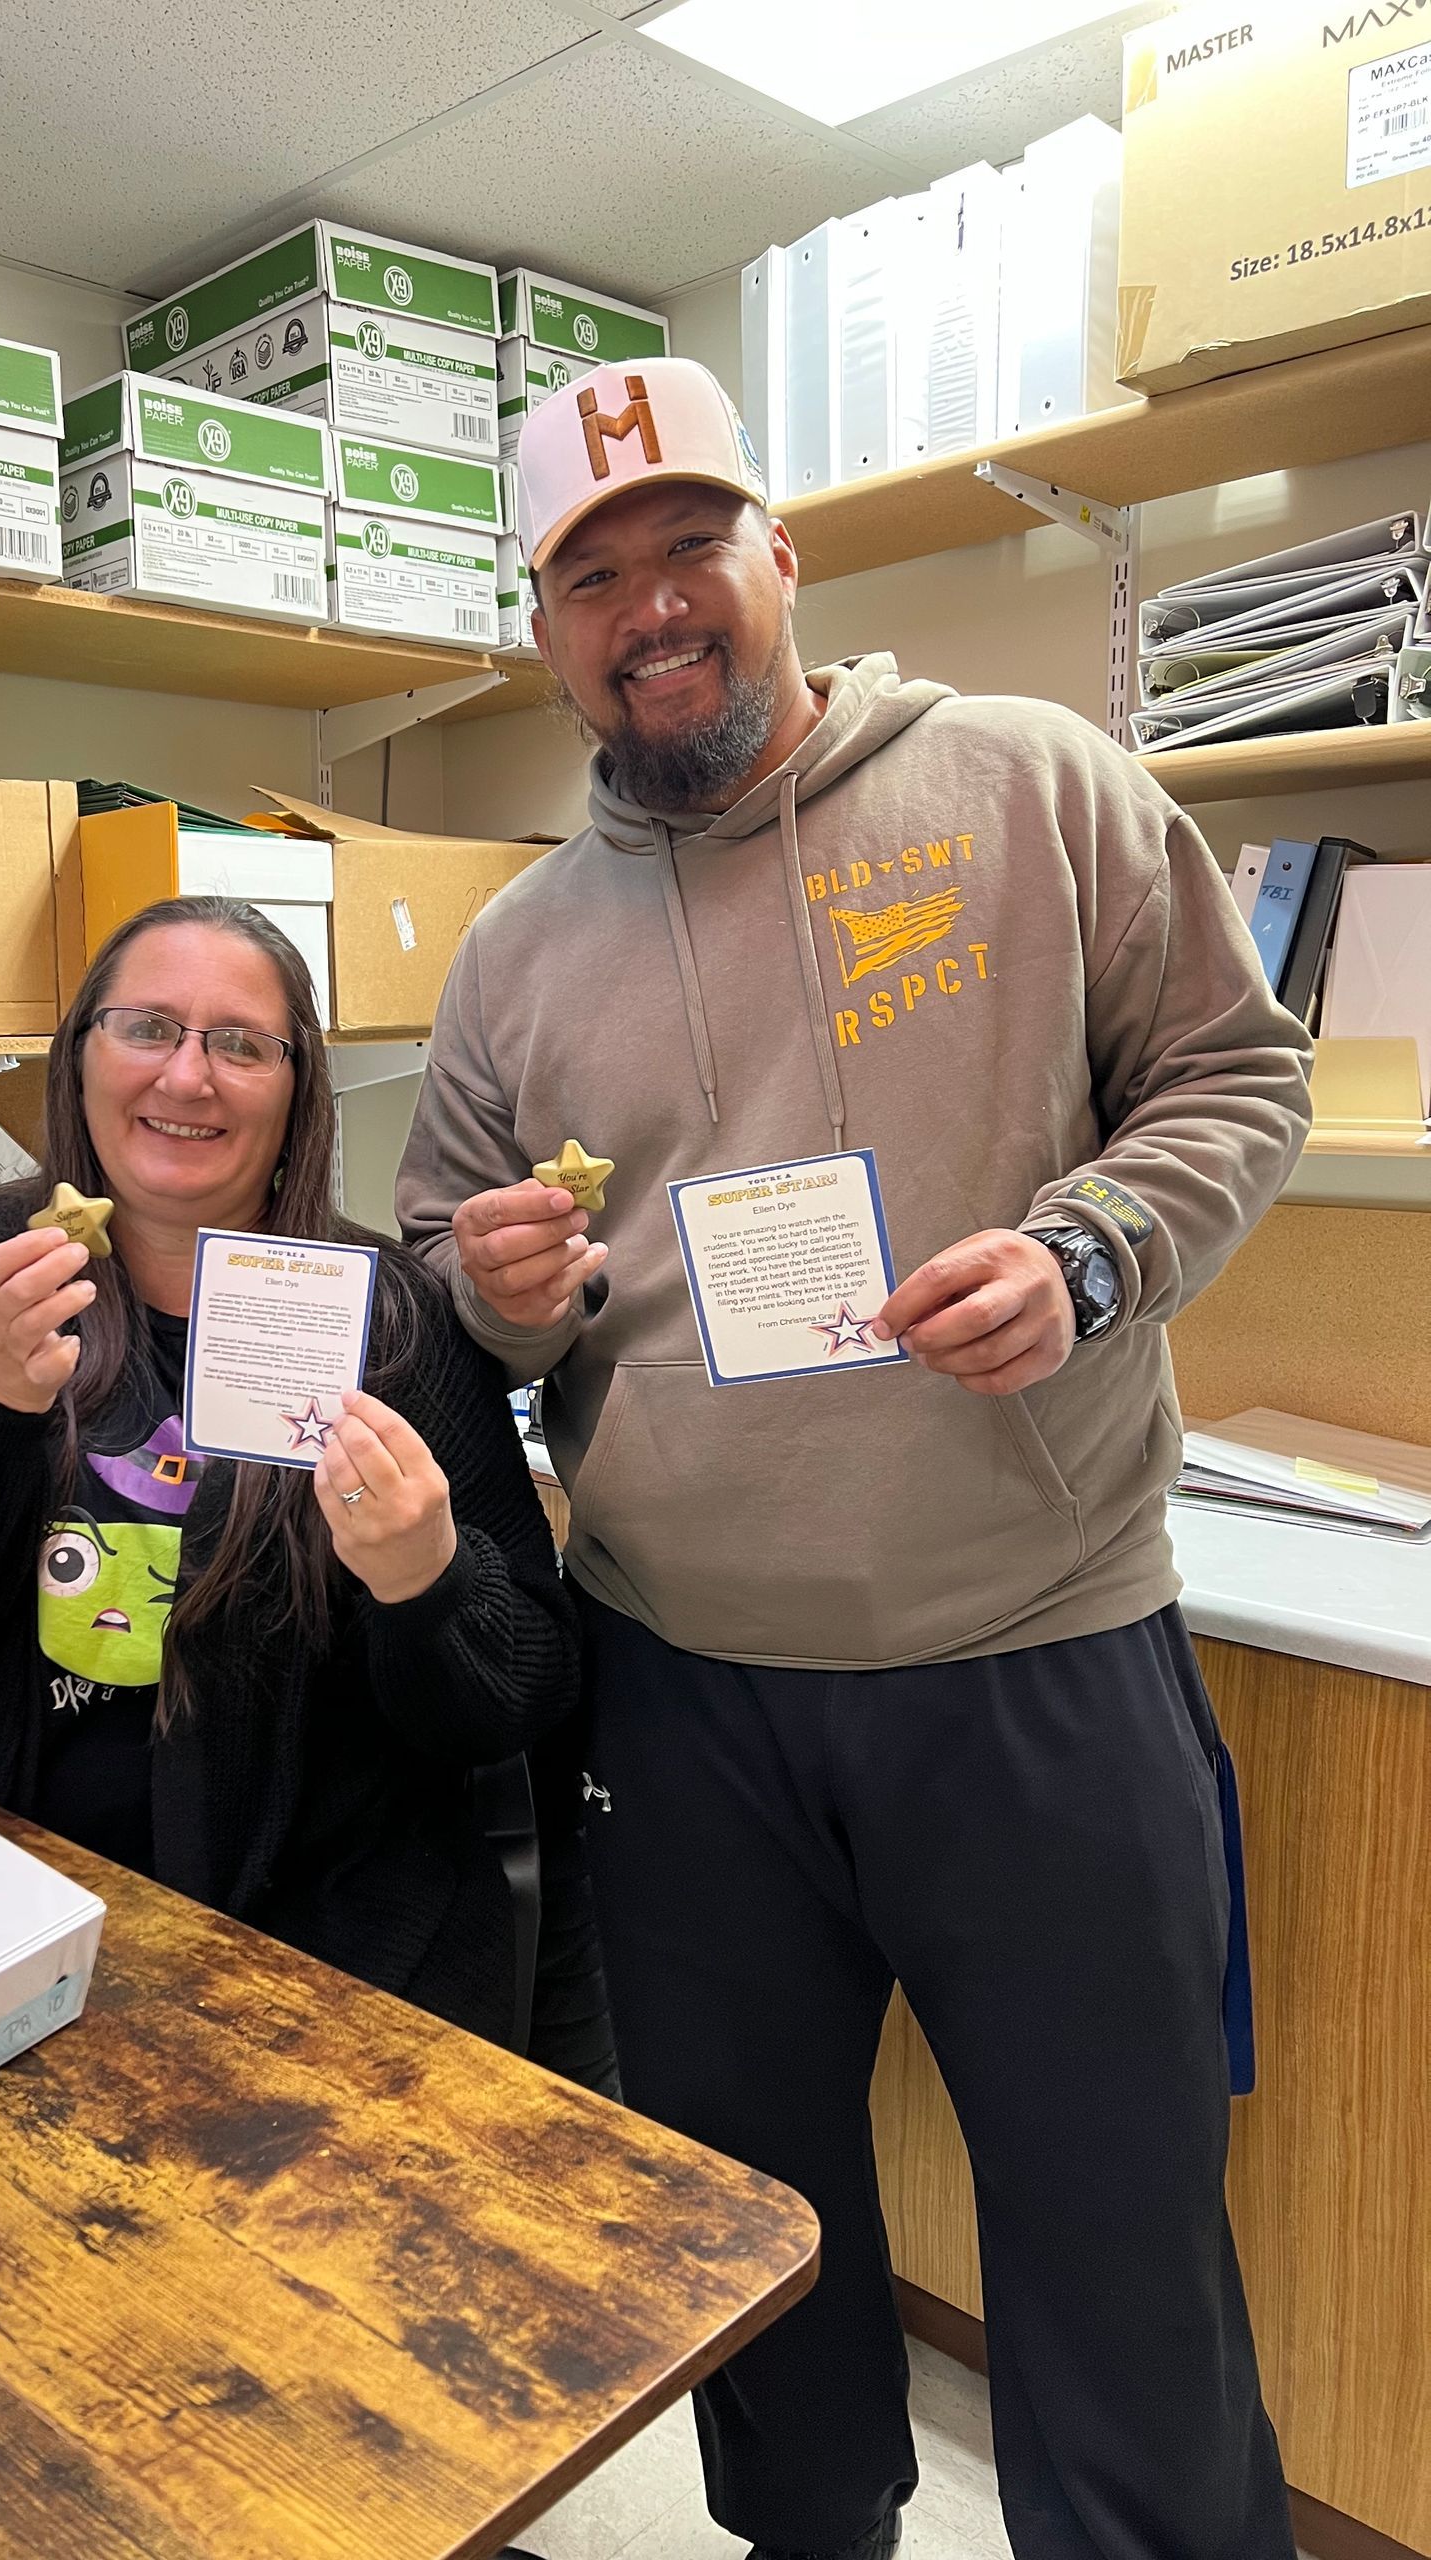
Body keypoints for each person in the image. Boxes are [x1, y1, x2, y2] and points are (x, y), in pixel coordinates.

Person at [397, 358, 1313, 2560]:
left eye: (691, 545)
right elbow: (446, 1261)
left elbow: (1234, 1073)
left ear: (781, 559)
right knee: (764, 2247)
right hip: (684, 1700)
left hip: (1036, 1659)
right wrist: (503, 1288)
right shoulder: (520, 951)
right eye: (590, 576)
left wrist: (1093, 1254)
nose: (653, 607)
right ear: (548, 634)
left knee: (1118, 2249)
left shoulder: (1031, 785)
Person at [0, 895, 614, 2102]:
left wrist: (426, 1581)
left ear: (296, 1096)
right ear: (80, 1060)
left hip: (327, 1982)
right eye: (147, 1027)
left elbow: (522, 1694)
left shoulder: (391, 1314)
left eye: (240, 1043)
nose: (189, 1075)